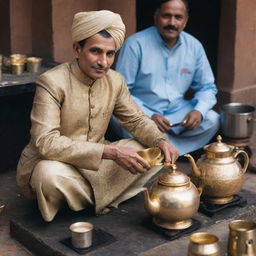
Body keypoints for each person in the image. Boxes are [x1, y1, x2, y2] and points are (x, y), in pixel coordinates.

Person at [16, 10, 179, 222]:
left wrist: (161, 141)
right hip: (58, 163)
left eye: (110, 54)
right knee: (47, 175)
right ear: (77, 49)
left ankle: (85, 200)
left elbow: (136, 120)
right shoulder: (52, 83)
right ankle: (108, 196)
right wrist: (111, 153)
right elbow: (46, 143)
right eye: (96, 51)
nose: (103, 62)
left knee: (149, 151)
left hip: (97, 165)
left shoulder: (115, 81)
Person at [112, 0, 220, 155]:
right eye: (166, 16)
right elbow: (121, 91)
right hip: (142, 113)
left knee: (212, 119)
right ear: (156, 16)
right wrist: (148, 115)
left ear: (185, 21)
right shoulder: (135, 44)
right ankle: (168, 150)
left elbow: (207, 87)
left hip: (178, 113)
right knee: (122, 121)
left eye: (178, 17)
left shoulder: (194, 46)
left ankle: (163, 152)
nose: (172, 23)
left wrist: (198, 111)